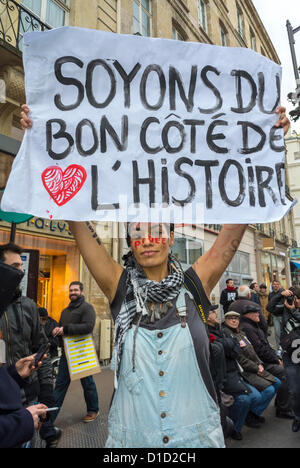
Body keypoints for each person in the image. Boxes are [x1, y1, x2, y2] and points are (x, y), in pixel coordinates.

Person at [20, 104, 290, 448]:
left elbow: (233, 231)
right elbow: (77, 222)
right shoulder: (119, 287)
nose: (148, 239)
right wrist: (45, 142)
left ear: (172, 236)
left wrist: (265, 148)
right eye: (138, 231)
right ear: (130, 242)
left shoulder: (196, 284)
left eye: (157, 229)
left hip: (196, 441)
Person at [0, 243, 62, 448]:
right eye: (15, 266)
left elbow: (41, 347)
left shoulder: (28, 306)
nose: (22, 271)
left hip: (28, 398)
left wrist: (46, 391)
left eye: (21, 265)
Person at [50, 281, 99, 423]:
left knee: (88, 383)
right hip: (67, 353)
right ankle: (50, 418)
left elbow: (88, 327)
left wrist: (65, 329)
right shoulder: (65, 311)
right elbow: (61, 327)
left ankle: (93, 410)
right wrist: (57, 330)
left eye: (76, 290)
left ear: (82, 292)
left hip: (82, 353)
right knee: (60, 385)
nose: (73, 292)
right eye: (71, 290)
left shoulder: (87, 308)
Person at [223, 312, 281, 428]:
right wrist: (256, 367)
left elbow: (252, 352)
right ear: (225, 321)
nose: (234, 321)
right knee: (268, 390)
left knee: (278, 383)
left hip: (255, 367)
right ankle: (251, 415)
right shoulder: (227, 336)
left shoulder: (241, 333)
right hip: (245, 371)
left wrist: (259, 363)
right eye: (231, 319)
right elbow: (239, 359)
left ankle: (253, 412)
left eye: (236, 319)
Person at [239, 303, 293, 420]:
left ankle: (281, 402)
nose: (259, 314)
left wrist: (277, 358)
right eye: (256, 312)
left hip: (264, 360)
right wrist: (275, 360)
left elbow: (266, 346)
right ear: (249, 315)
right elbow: (260, 351)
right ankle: (283, 408)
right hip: (259, 364)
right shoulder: (248, 328)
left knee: (285, 368)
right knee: (285, 373)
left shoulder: (253, 325)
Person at [279, 287, 300, 432]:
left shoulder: (293, 311)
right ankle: (297, 417)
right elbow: (269, 307)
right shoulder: (285, 309)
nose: (296, 301)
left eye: (298, 298)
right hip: (290, 356)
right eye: (294, 298)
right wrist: (281, 295)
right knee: (294, 391)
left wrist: (293, 310)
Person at [267, 280, 283, 347]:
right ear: (272, 285)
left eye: (277, 284)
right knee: (277, 333)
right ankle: (279, 348)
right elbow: (270, 305)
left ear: (279, 285)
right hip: (275, 316)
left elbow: (282, 304)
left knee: (284, 333)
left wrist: (276, 306)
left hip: (283, 315)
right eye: (274, 284)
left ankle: (286, 347)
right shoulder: (270, 294)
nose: (275, 285)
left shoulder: (282, 292)